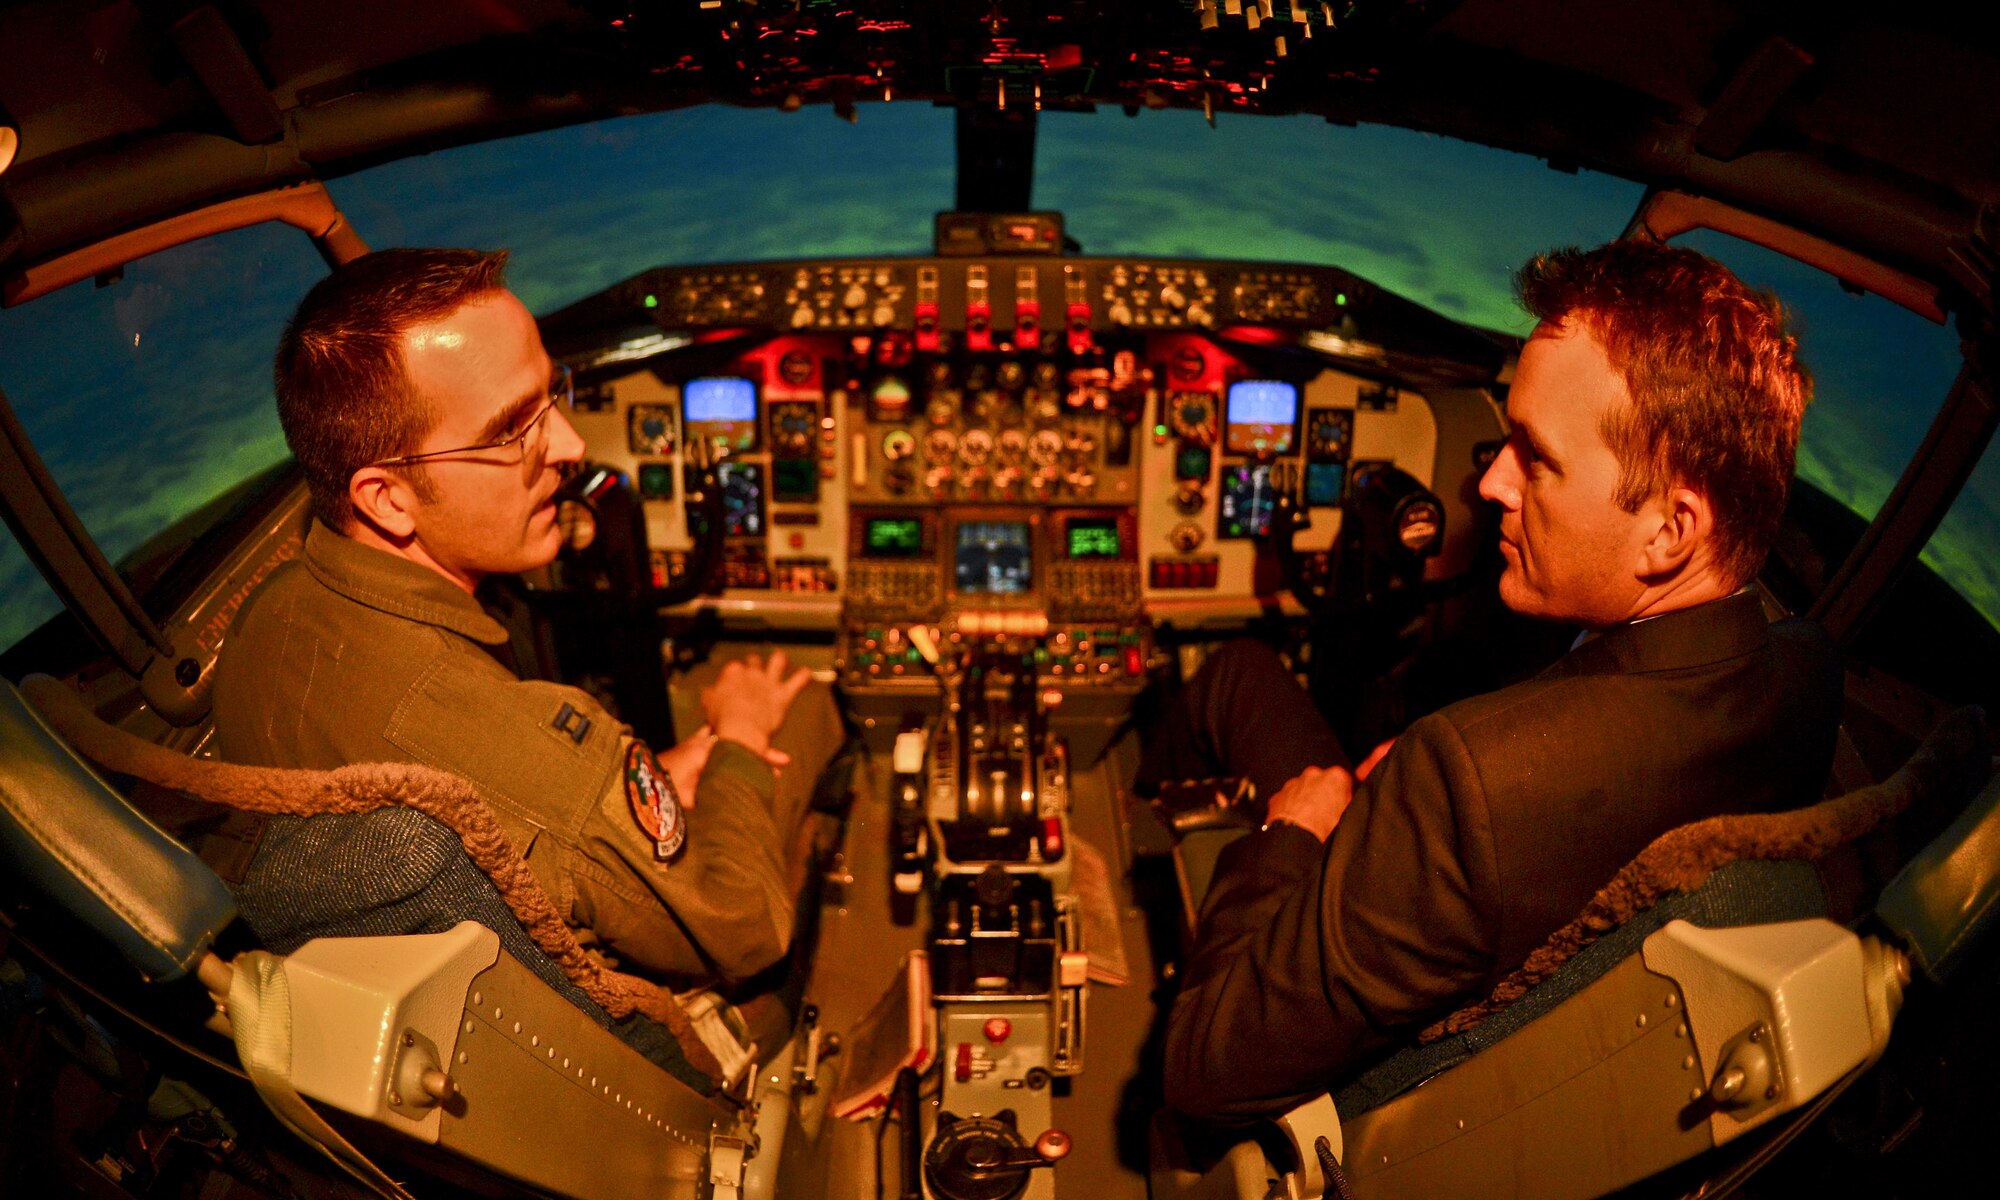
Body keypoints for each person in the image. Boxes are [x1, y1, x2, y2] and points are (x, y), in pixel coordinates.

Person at [1158, 240, 1844, 1121]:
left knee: (1233, 672)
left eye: (1536, 456)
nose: (1489, 482)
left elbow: (1203, 1073)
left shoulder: (1470, 781)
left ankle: (1152, 821)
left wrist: (1293, 834)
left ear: (1671, 531)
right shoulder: (1803, 668)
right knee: (1254, 675)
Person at [214, 248, 811, 988]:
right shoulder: (498, 739)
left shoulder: (270, 614)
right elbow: (744, 929)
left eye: (549, 395)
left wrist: (622, 800)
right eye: (512, 430)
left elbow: (536, 807)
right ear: (387, 499)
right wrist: (743, 736)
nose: (569, 445)